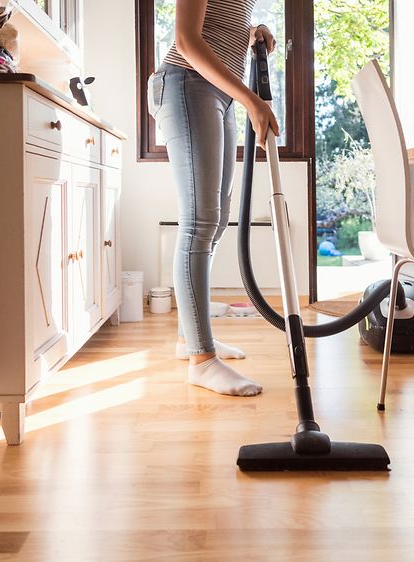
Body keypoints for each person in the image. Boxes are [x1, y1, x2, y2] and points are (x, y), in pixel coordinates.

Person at [148, 0, 278, 397]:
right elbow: (187, 40)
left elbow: (218, 21)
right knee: (200, 220)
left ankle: (192, 338)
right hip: (187, 82)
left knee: (215, 219)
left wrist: (252, 31)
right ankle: (201, 361)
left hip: (216, 89)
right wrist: (251, 99)